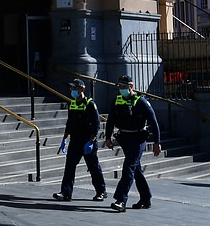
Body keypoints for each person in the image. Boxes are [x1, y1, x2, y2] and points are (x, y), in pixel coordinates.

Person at [104, 74, 162, 212]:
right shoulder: (117, 101)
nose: (121, 89)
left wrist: (157, 142)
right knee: (136, 169)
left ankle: (121, 200)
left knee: (129, 167)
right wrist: (108, 137)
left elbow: (154, 122)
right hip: (124, 138)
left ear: (131, 87)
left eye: (123, 86)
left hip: (138, 138)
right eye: (119, 86)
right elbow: (110, 120)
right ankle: (146, 197)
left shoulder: (141, 102)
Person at [52, 78, 107, 202]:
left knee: (93, 167)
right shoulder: (72, 103)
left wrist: (91, 141)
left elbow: (96, 124)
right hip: (75, 140)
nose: (72, 90)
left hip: (87, 140)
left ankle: (101, 191)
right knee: (69, 167)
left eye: (75, 88)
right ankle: (66, 192)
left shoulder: (90, 104)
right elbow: (69, 123)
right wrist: (64, 139)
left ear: (82, 89)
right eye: (71, 88)